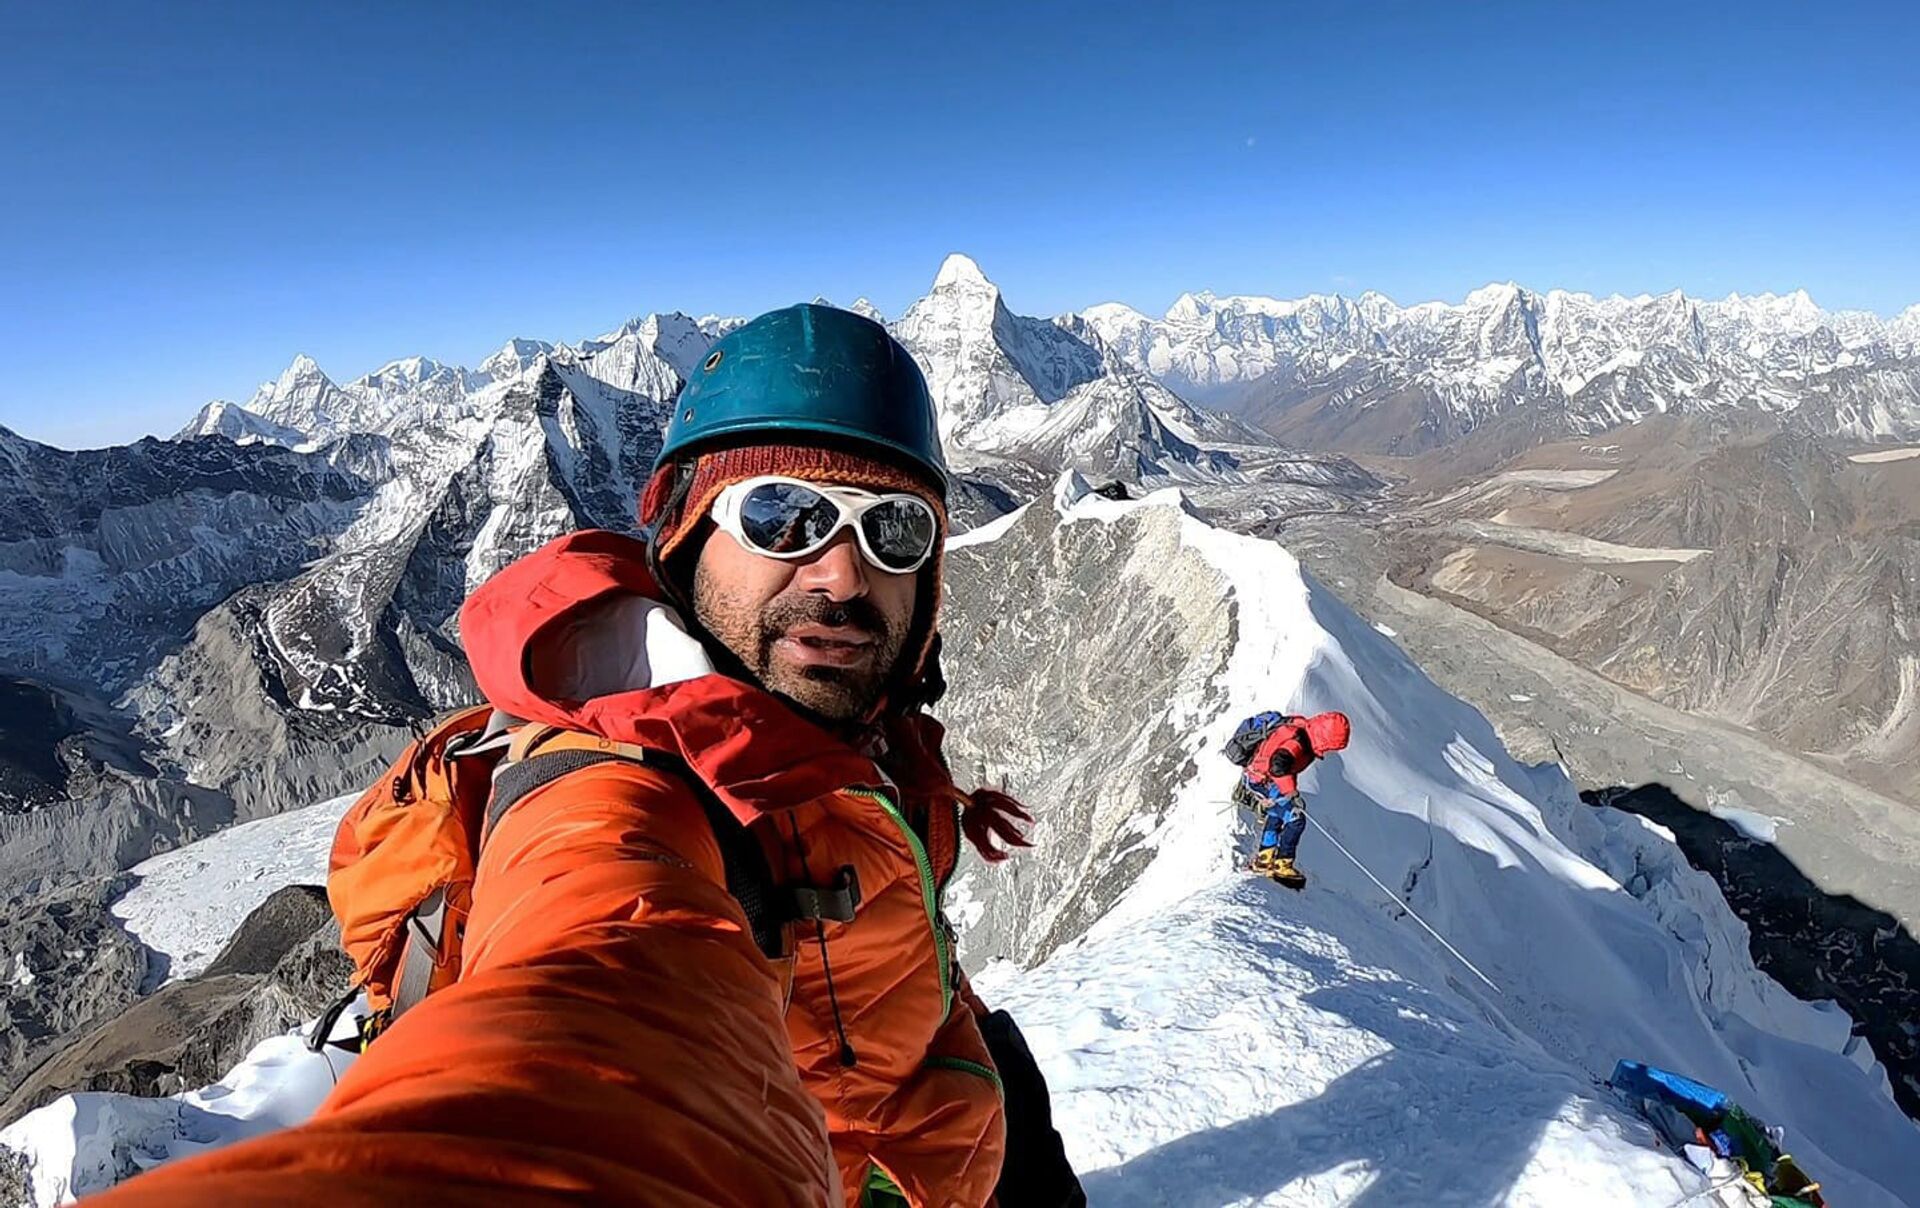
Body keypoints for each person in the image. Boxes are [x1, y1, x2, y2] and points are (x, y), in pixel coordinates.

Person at [94, 305, 1080, 1207]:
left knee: (1009, 1063)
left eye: (894, 528)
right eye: (785, 515)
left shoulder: (848, 735)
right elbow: (595, 1026)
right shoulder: (617, 787)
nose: (840, 571)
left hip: (939, 1117)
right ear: (686, 538)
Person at [1234, 711, 1352, 890]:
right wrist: (1291, 794)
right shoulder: (1298, 742)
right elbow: (1278, 767)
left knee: (1276, 815)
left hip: (1257, 777)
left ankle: (1264, 859)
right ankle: (1282, 864)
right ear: (1326, 738)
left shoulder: (1302, 729)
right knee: (1296, 819)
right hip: (1264, 781)